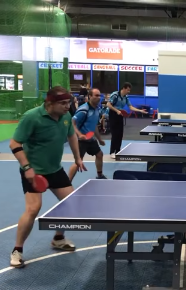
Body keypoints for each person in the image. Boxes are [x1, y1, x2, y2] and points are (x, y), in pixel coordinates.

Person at [9, 86, 87, 268]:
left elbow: (72, 136)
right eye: (63, 103)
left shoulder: (66, 116)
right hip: (34, 171)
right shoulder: (31, 117)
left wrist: (77, 157)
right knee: (33, 208)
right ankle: (17, 250)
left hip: (54, 169)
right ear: (49, 103)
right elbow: (14, 143)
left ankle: (58, 238)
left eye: (69, 102)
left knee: (70, 202)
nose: (67, 106)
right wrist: (27, 167)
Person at [68, 88, 107, 181]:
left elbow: (94, 126)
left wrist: (99, 139)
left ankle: (100, 175)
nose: (99, 97)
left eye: (99, 95)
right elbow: (72, 123)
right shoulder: (84, 110)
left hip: (90, 139)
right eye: (96, 95)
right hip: (81, 140)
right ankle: (66, 183)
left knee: (99, 154)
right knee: (78, 162)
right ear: (90, 96)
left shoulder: (97, 109)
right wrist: (80, 134)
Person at [106, 82, 148, 159]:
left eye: (129, 90)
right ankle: (112, 152)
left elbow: (131, 107)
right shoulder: (115, 94)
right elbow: (108, 104)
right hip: (113, 114)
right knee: (115, 134)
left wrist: (140, 111)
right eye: (128, 90)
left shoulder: (126, 97)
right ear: (124, 88)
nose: (128, 92)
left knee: (120, 134)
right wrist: (116, 111)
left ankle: (118, 151)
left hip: (120, 115)